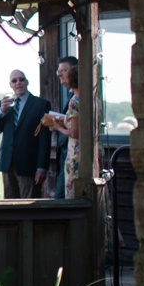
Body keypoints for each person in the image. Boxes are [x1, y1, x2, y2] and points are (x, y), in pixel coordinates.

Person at [0, 69, 51, 199]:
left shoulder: (40, 105)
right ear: (10, 85)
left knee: (29, 206)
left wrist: (41, 167)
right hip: (7, 163)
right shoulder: (4, 105)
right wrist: (1, 112)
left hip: (29, 165)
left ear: (27, 82)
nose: (18, 83)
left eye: (21, 79)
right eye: (14, 81)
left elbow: (44, 139)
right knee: (10, 207)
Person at [45, 64, 81, 195]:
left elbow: (74, 133)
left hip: (76, 152)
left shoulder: (75, 101)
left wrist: (57, 127)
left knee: (72, 193)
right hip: (92, 151)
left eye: (64, 72)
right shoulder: (93, 99)